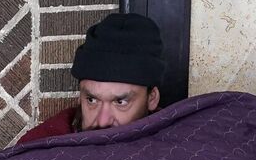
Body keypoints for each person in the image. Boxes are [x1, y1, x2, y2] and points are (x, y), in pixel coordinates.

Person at [17, 12, 166, 144]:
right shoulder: (41, 148)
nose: (102, 122)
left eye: (120, 102)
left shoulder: (175, 152)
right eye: (91, 100)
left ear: (152, 98)